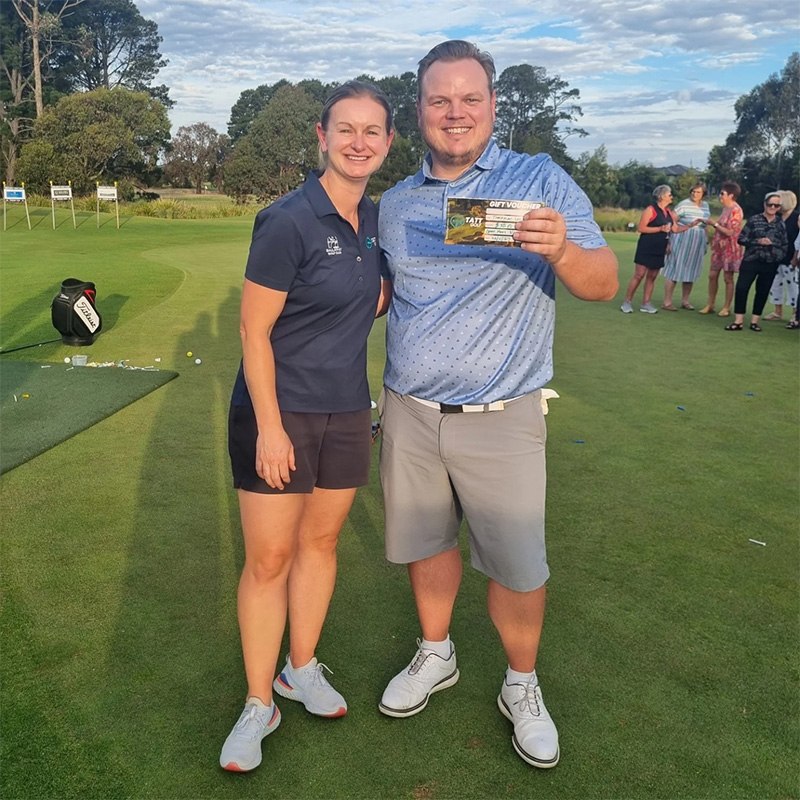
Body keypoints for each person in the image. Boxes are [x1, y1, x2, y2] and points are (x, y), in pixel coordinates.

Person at [377, 40, 618, 770]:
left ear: (492, 105)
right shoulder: (396, 202)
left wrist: (562, 251)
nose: (455, 112)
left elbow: (603, 282)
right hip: (410, 411)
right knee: (426, 543)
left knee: (518, 566)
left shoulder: (539, 179)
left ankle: (521, 683)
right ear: (419, 109)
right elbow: (385, 294)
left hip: (503, 412)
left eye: (470, 98)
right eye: (440, 99)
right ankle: (437, 652)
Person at [220, 81, 394, 772]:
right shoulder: (287, 220)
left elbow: (374, 296)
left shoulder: (377, 218)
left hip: (347, 409)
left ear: (388, 142)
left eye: (372, 131)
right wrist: (270, 428)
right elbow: (253, 332)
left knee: (320, 545)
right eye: (345, 129)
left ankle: (300, 667)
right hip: (278, 412)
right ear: (322, 136)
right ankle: (258, 701)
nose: (358, 142)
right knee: (270, 560)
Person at [724, 192, 788, 332]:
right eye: (770, 204)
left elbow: (784, 244)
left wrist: (777, 256)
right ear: (764, 204)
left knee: (762, 291)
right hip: (751, 259)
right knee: (742, 288)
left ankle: (755, 321)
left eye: (776, 205)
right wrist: (758, 241)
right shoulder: (754, 220)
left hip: (770, 262)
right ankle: (738, 320)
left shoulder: (780, 223)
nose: (772, 207)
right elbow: (741, 239)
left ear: (779, 207)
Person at [620, 185, 676, 313]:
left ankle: (646, 303)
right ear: (662, 196)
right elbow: (641, 228)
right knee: (639, 275)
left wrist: (692, 225)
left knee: (652, 276)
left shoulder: (668, 212)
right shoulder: (650, 210)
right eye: (669, 195)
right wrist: (659, 229)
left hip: (660, 248)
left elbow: (675, 229)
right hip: (647, 246)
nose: (671, 197)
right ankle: (627, 302)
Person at [661, 182, 710, 310]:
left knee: (690, 271)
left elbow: (705, 225)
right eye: (693, 191)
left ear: (703, 194)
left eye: (698, 192)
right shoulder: (683, 205)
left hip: (697, 241)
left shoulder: (705, 206)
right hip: (682, 239)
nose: (695, 194)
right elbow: (671, 221)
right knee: (674, 269)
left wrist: (706, 241)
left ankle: (685, 301)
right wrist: (668, 241)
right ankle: (667, 302)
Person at [699, 182, 744, 316]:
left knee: (728, 277)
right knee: (712, 275)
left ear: (731, 195)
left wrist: (715, 224)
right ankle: (710, 304)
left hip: (730, 248)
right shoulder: (725, 208)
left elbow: (731, 232)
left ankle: (726, 307)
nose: (720, 196)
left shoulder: (736, 210)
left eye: (722, 193)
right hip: (719, 247)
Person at [763, 190, 799, 321]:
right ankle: (778, 311)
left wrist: (795, 257)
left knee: (793, 286)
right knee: (775, 284)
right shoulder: (776, 218)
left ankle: (795, 313)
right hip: (775, 257)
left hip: (791, 257)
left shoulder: (797, 217)